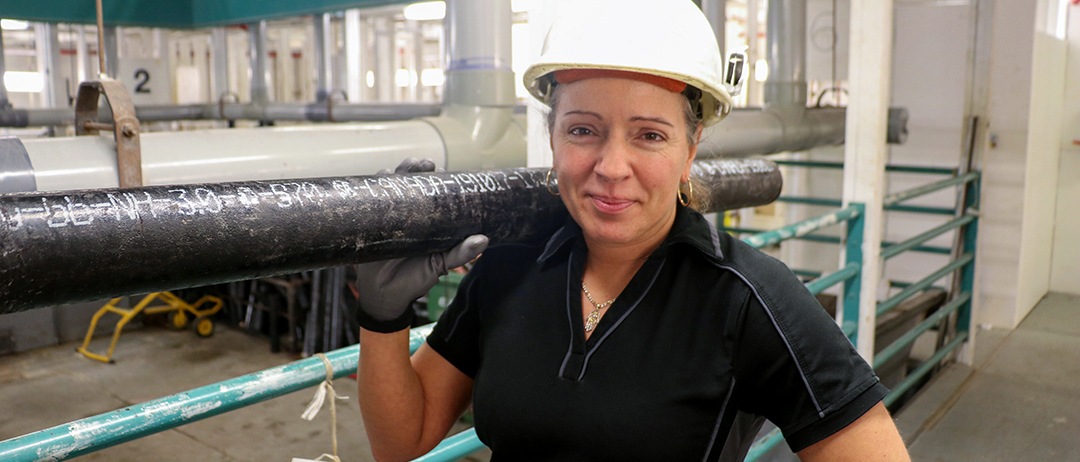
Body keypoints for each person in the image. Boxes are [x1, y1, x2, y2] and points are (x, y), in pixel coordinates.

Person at [355, 1, 911, 461]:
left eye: (649, 135)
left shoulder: (745, 297)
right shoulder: (510, 266)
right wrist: (382, 320)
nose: (612, 166)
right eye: (583, 130)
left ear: (689, 149)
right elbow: (405, 438)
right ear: (553, 136)